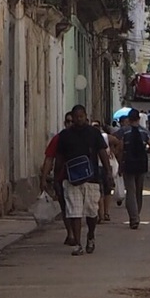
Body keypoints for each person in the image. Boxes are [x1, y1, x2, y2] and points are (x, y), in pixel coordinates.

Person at [43, 104, 112, 253]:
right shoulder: (65, 136)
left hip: (91, 178)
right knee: (74, 212)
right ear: (72, 118)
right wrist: (56, 178)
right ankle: (78, 244)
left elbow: (102, 153)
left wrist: (108, 172)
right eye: (76, 117)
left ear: (86, 116)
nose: (79, 119)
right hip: (71, 179)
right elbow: (59, 158)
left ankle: (91, 236)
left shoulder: (94, 133)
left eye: (82, 116)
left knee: (92, 212)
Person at [116, 111, 150, 229]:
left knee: (130, 191)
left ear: (129, 119)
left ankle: (134, 217)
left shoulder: (124, 131)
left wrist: (120, 163)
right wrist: (143, 152)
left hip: (129, 163)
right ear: (138, 118)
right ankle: (137, 214)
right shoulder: (144, 131)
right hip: (142, 164)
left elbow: (120, 148)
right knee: (139, 191)